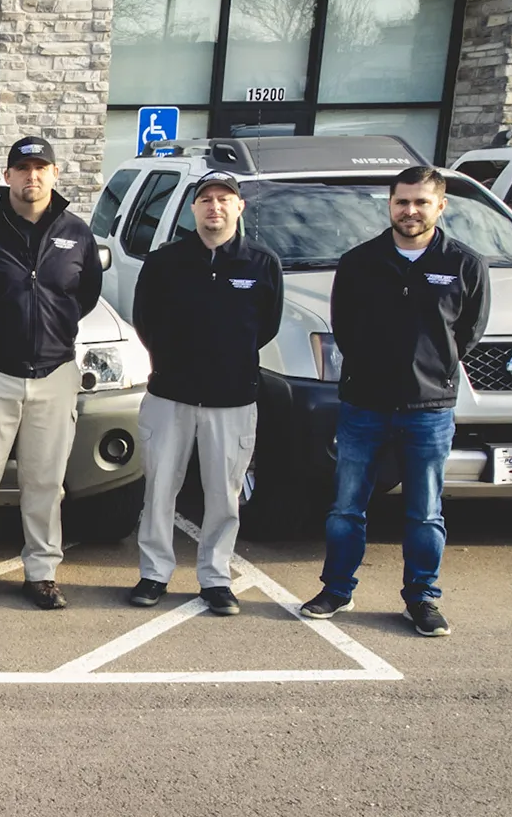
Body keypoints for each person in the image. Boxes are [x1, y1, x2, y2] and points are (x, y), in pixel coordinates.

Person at [301, 165, 489, 636]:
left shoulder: (464, 264)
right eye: (402, 201)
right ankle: (337, 589)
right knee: (346, 508)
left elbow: (468, 332)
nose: (410, 211)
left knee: (425, 513)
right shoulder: (360, 262)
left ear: (440, 206)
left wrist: (432, 370)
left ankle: (422, 598)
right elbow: (344, 326)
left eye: (421, 202)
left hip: (429, 410)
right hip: (365, 405)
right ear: (390, 204)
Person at [0, 136, 105, 611]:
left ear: (54, 174)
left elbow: (86, 293)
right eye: (23, 168)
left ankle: (42, 573)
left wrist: (52, 331)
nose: (32, 176)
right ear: (7, 176)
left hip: (54, 374)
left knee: (46, 482)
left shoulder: (77, 234)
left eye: (40, 168)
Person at [127, 171, 283, 615]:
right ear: (193, 208)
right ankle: (154, 573)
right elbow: (145, 320)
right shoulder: (165, 262)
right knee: (159, 490)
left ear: (239, 207)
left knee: (223, 496)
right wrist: (173, 362)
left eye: (224, 199)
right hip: (169, 396)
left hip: (231, 399)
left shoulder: (261, 263)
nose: (215, 207)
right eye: (206, 199)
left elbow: (266, 326)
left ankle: (215, 579)